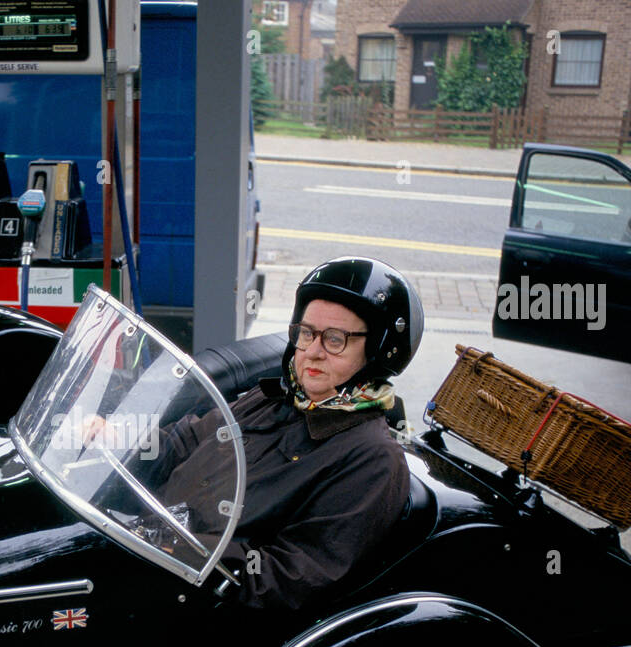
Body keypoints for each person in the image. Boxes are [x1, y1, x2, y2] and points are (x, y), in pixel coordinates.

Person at [135, 257, 423, 611]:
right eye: (306, 333)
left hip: (200, 601)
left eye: (335, 339)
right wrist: (124, 441)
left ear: (377, 351)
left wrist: (181, 548)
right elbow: (186, 441)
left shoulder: (371, 458)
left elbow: (289, 577)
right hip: (144, 542)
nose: (313, 351)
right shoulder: (277, 396)